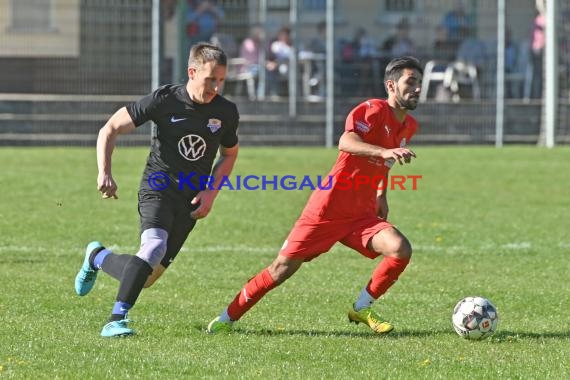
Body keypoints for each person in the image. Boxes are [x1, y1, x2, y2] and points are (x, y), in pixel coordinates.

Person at [207, 56, 423, 335]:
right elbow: (347, 141)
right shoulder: (371, 110)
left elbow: (387, 163)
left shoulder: (409, 126)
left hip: (361, 214)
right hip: (328, 209)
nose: (417, 88)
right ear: (391, 85)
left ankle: (362, 307)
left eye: (419, 82)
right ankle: (226, 319)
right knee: (281, 269)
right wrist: (383, 151)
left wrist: (381, 193)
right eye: (411, 82)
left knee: (400, 249)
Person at [74, 42, 239, 337]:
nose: (215, 86)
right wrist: (104, 172)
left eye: (221, 80)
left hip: (191, 198)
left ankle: (96, 256)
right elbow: (109, 129)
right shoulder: (166, 99)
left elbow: (229, 154)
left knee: (146, 278)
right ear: (192, 72)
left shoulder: (225, 111)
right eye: (210, 79)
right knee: (152, 247)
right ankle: (116, 319)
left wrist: (211, 193)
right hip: (158, 186)